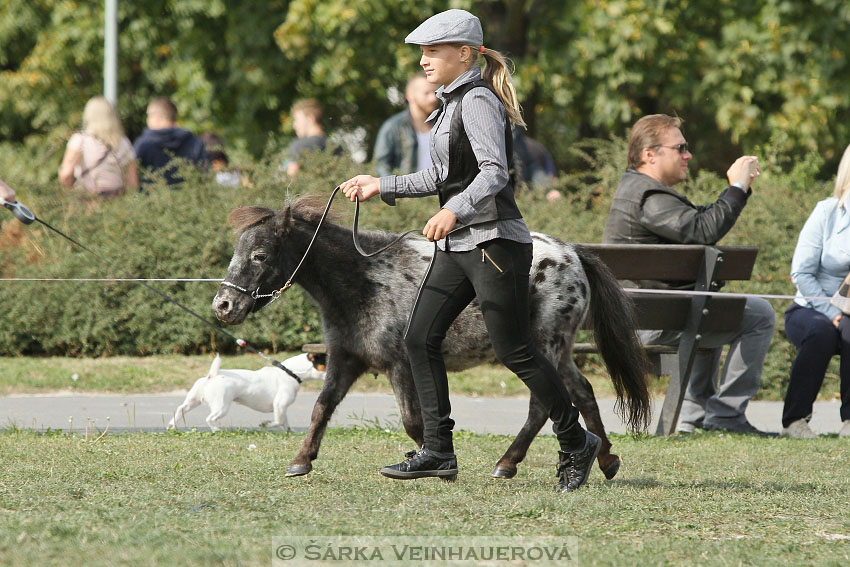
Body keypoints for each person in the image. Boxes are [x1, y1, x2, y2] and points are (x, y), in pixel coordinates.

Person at [339, 9, 600, 492]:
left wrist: (453, 212)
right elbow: (441, 176)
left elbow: (495, 172)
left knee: (516, 351)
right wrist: (383, 184)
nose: (423, 60)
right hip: (460, 246)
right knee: (419, 338)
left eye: (433, 51)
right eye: (421, 52)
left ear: (464, 54)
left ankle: (575, 440)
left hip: (495, 244)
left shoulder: (477, 99)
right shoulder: (450, 101)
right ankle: (438, 451)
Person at [602, 113, 776, 436]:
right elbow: (703, 229)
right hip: (647, 322)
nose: (688, 155)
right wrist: (738, 187)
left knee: (706, 306)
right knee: (759, 314)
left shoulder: (641, 191)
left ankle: (693, 416)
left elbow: (698, 224)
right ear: (649, 155)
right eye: (680, 147)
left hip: (645, 316)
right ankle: (723, 415)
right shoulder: (649, 197)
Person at [782, 144, 850, 439]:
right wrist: (833, 313)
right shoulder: (826, 212)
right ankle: (794, 420)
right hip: (810, 308)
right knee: (823, 332)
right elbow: (801, 272)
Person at [58, 96, 138, 197]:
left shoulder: (80, 140)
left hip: (87, 201)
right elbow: (132, 183)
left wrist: (70, 193)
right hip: (117, 204)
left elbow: (66, 174)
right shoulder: (124, 143)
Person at [373, 72, 439, 177]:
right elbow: (381, 166)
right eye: (426, 93)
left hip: (440, 192)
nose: (433, 98)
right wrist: (397, 190)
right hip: (409, 191)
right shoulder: (392, 127)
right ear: (410, 95)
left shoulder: (441, 123)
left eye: (434, 92)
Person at [133, 97, 207, 187]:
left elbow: (132, 179)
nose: (147, 120)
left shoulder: (144, 144)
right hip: (188, 198)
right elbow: (204, 175)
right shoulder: (195, 142)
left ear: (157, 117)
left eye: (148, 115)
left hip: (151, 198)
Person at [283, 99, 333, 178]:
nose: (294, 125)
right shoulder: (335, 145)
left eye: (297, 120)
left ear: (310, 118)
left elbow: (290, 178)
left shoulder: (300, 145)